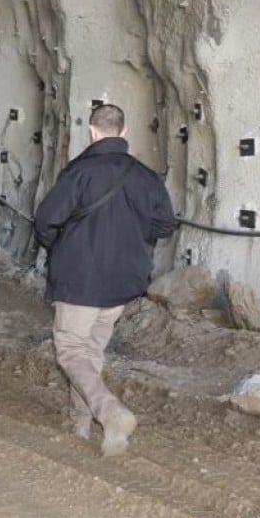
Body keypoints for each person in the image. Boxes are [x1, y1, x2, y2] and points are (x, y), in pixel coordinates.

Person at [34, 104, 176, 457]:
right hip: (122, 282)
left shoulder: (79, 173)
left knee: (71, 350)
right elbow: (165, 225)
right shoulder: (146, 177)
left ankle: (108, 411)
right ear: (123, 131)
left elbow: (46, 221)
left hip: (79, 279)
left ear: (92, 131)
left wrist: (62, 248)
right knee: (92, 351)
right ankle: (79, 422)